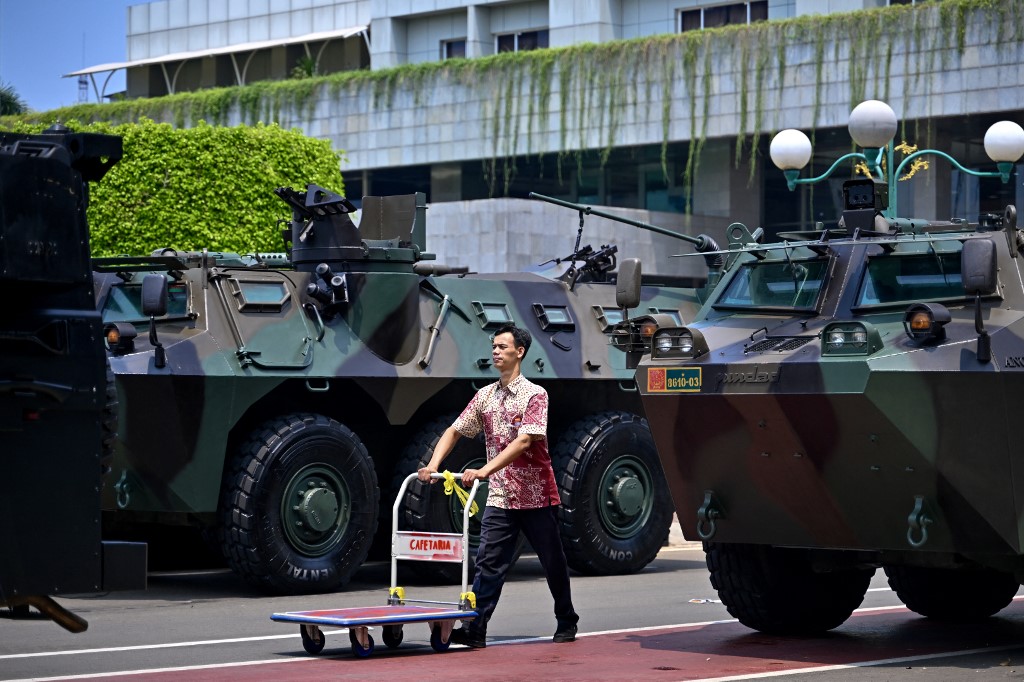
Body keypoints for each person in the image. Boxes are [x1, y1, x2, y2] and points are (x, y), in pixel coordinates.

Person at [417, 324, 579, 649]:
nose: (496, 352)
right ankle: (475, 630)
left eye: (503, 347)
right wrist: (434, 465)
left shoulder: (536, 395)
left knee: (553, 561)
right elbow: (455, 430)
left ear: (519, 352)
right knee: (488, 563)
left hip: (536, 497)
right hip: (501, 497)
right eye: (494, 346)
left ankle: (566, 619)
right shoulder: (485, 397)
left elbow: (524, 442)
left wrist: (483, 470)